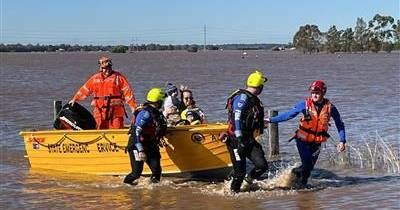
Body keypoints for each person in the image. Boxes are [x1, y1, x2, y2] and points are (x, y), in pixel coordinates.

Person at [265, 80, 346, 187]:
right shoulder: (304, 104)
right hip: (302, 140)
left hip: (317, 142)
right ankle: (296, 179)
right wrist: (270, 120)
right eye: (312, 93)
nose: (314, 95)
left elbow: (339, 124)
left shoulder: (331, 108)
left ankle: (301, 188)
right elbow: (288, 115)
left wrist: (342, 140)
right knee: (307, 164)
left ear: (323, 93)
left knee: (309, 169)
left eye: (317, 93)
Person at [225, 70, 269, 193]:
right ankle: (233, 196)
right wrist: (239, 138)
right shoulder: (243, 98)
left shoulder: (252, 99)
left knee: (262, 166)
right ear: (260, 87)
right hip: (236, 140)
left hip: (248, 138)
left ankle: (248, 181)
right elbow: (236, 117)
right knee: (239, 173)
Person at [69, 56, 136, 129]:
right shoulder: (95, 78)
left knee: (116, 129)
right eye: (105, 68)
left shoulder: (119, 78)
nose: (107, 70)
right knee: (98, 128)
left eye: (109, 67)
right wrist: (75, 99)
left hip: (115, 112)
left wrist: (133, 107)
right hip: (99, 111)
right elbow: (85, 90)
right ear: (101, 68)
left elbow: (128, 92)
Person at [124, 88, 167, 185]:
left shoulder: (157, 113)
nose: (163, 103)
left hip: (150, 144)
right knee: (136, 174)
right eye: (162, 101)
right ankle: (126, 186)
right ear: (158, 102)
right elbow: (136, 133)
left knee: (157, 171)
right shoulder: (145, 114)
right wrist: (141, 150)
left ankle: (153, 191)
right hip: (137, 145)